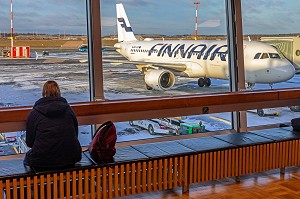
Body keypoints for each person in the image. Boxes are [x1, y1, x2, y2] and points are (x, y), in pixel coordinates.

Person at [24, 80, 82, 169]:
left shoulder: (35, 113)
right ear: (58, 92)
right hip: (70, 158)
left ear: (43, 93)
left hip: (42, 160)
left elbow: (29, 142)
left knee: (28, 159)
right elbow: (75, 134)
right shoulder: (68, 110)